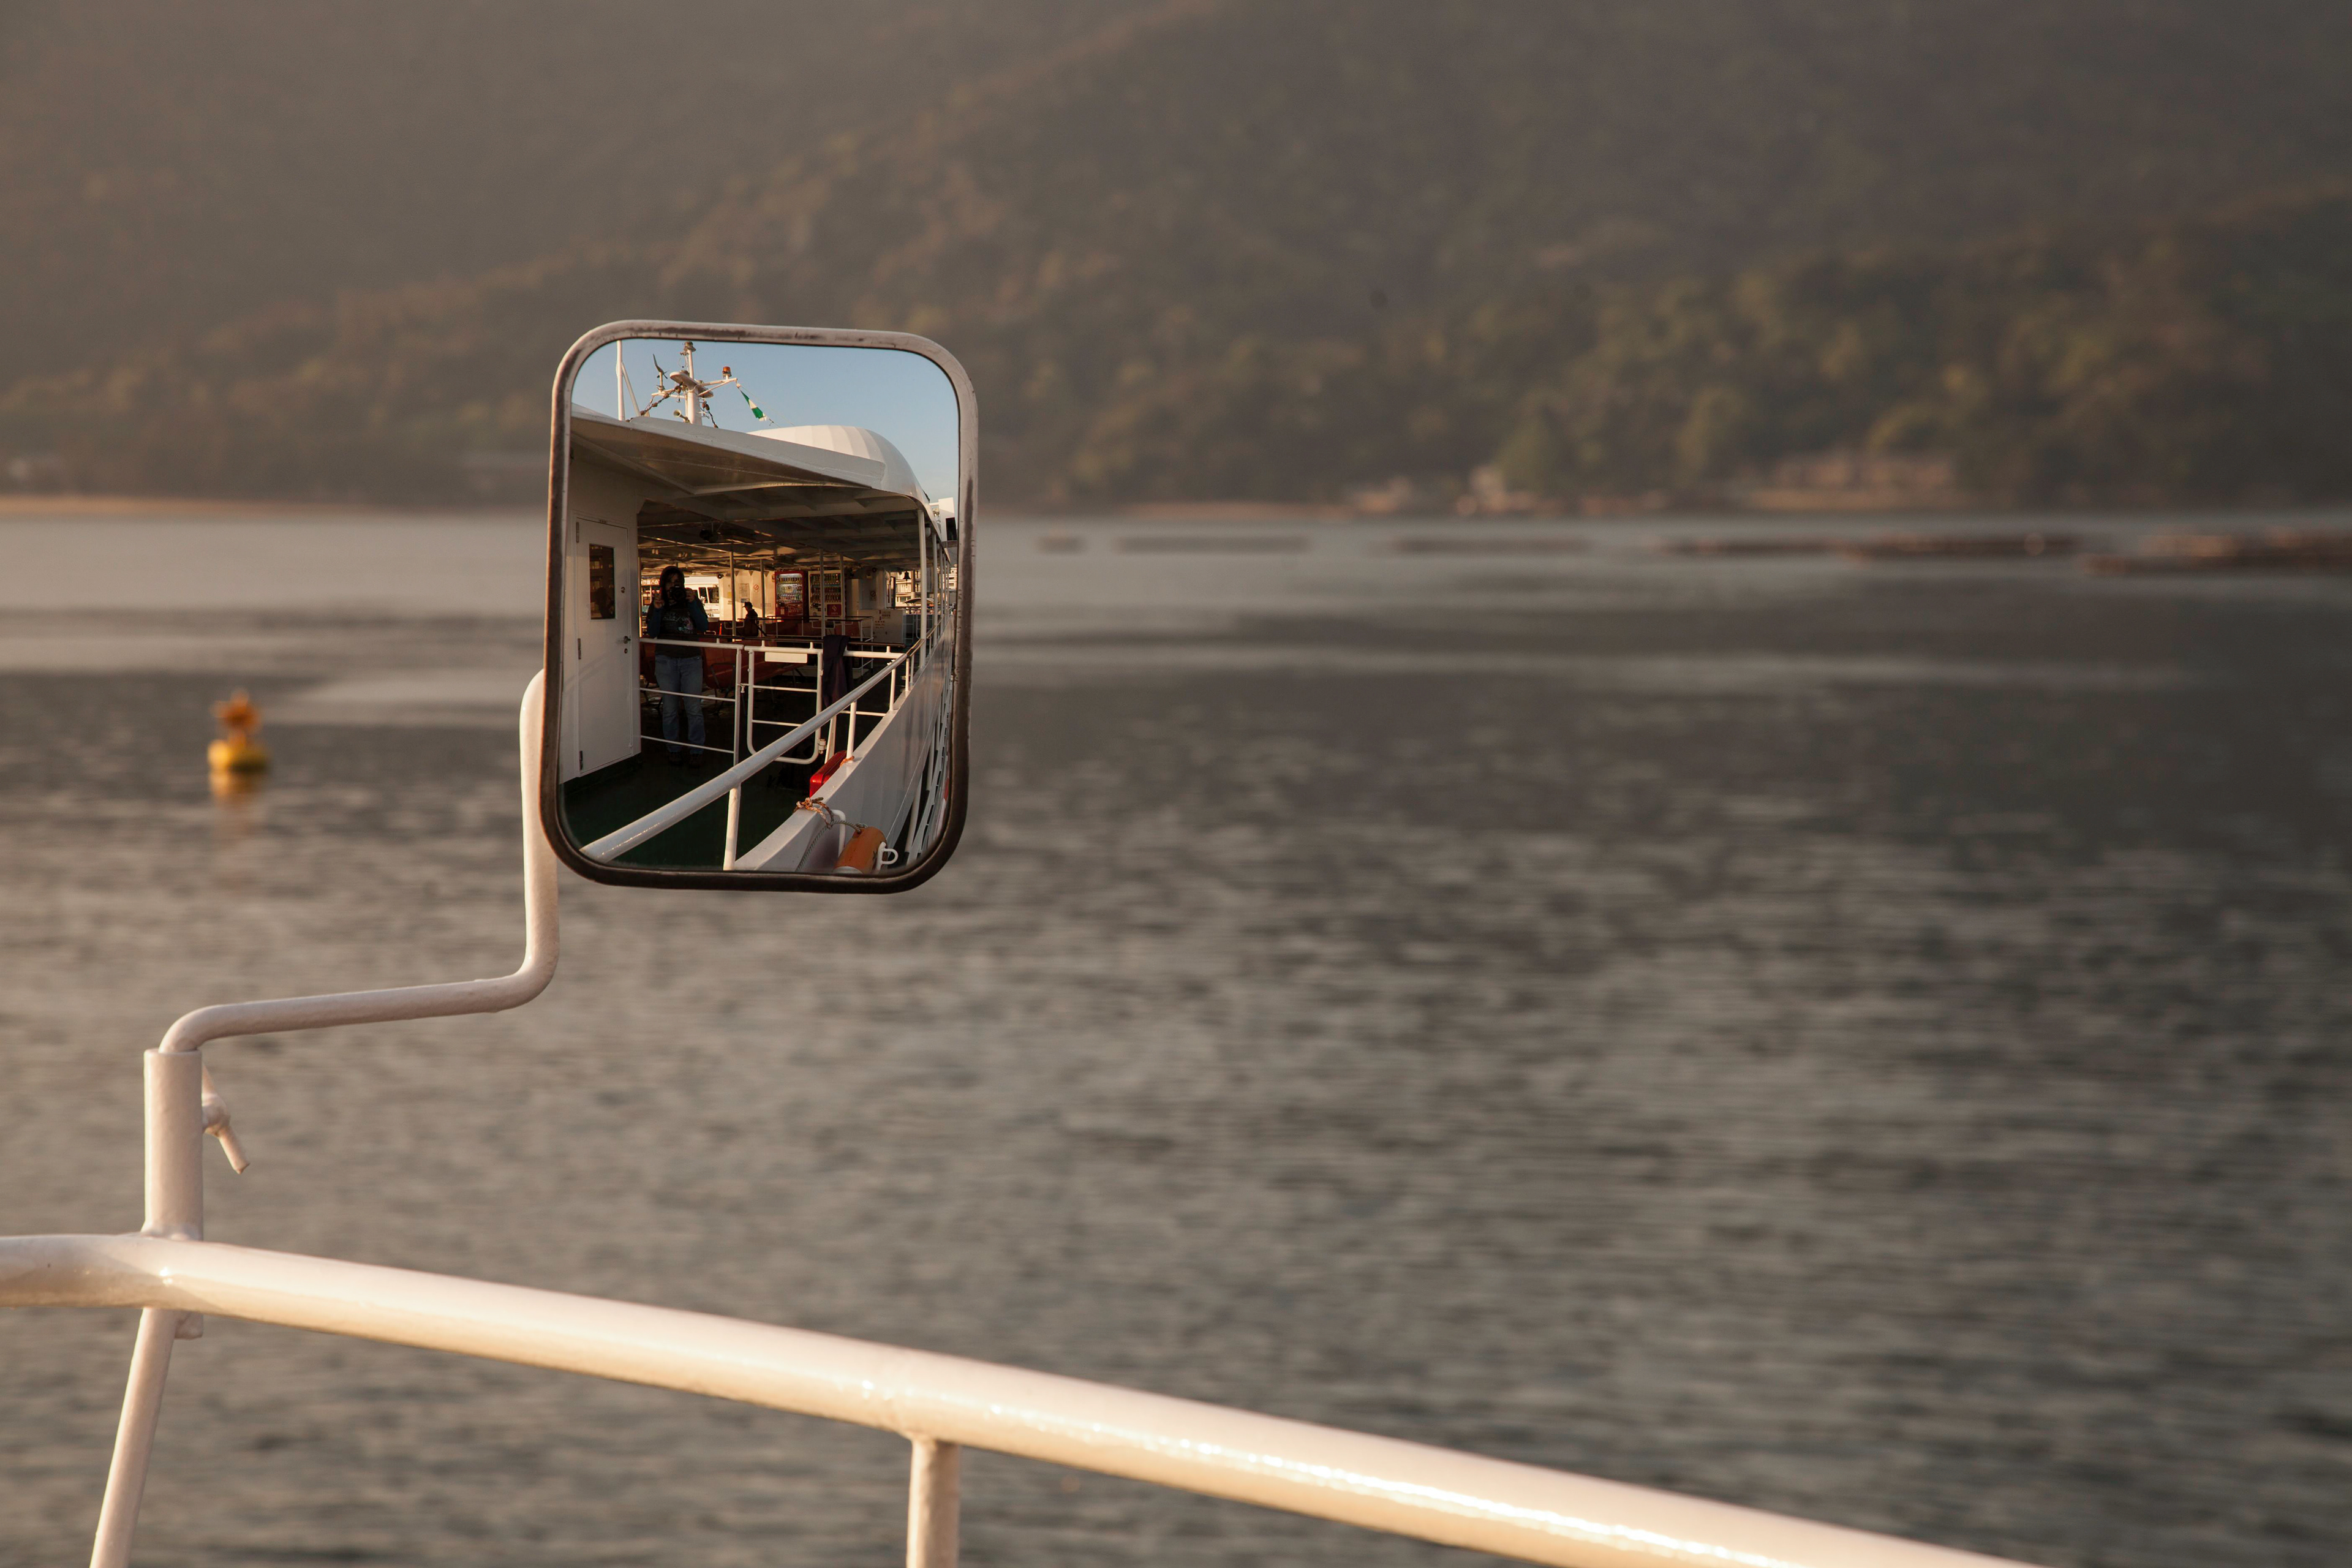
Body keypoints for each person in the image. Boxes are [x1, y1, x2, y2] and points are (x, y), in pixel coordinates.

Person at [646, 565, 709, 764]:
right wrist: (657, 610)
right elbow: (653, 632)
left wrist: (692, 604)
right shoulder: (658, 604)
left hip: (691, 660)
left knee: (694, 708)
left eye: (678, 583)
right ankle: (673, 748)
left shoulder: (692, 602)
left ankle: (696, 751)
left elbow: (704, 626)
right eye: (671, 583)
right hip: (666, 661)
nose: (675, 586)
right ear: (663, 585)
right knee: (670, 708)